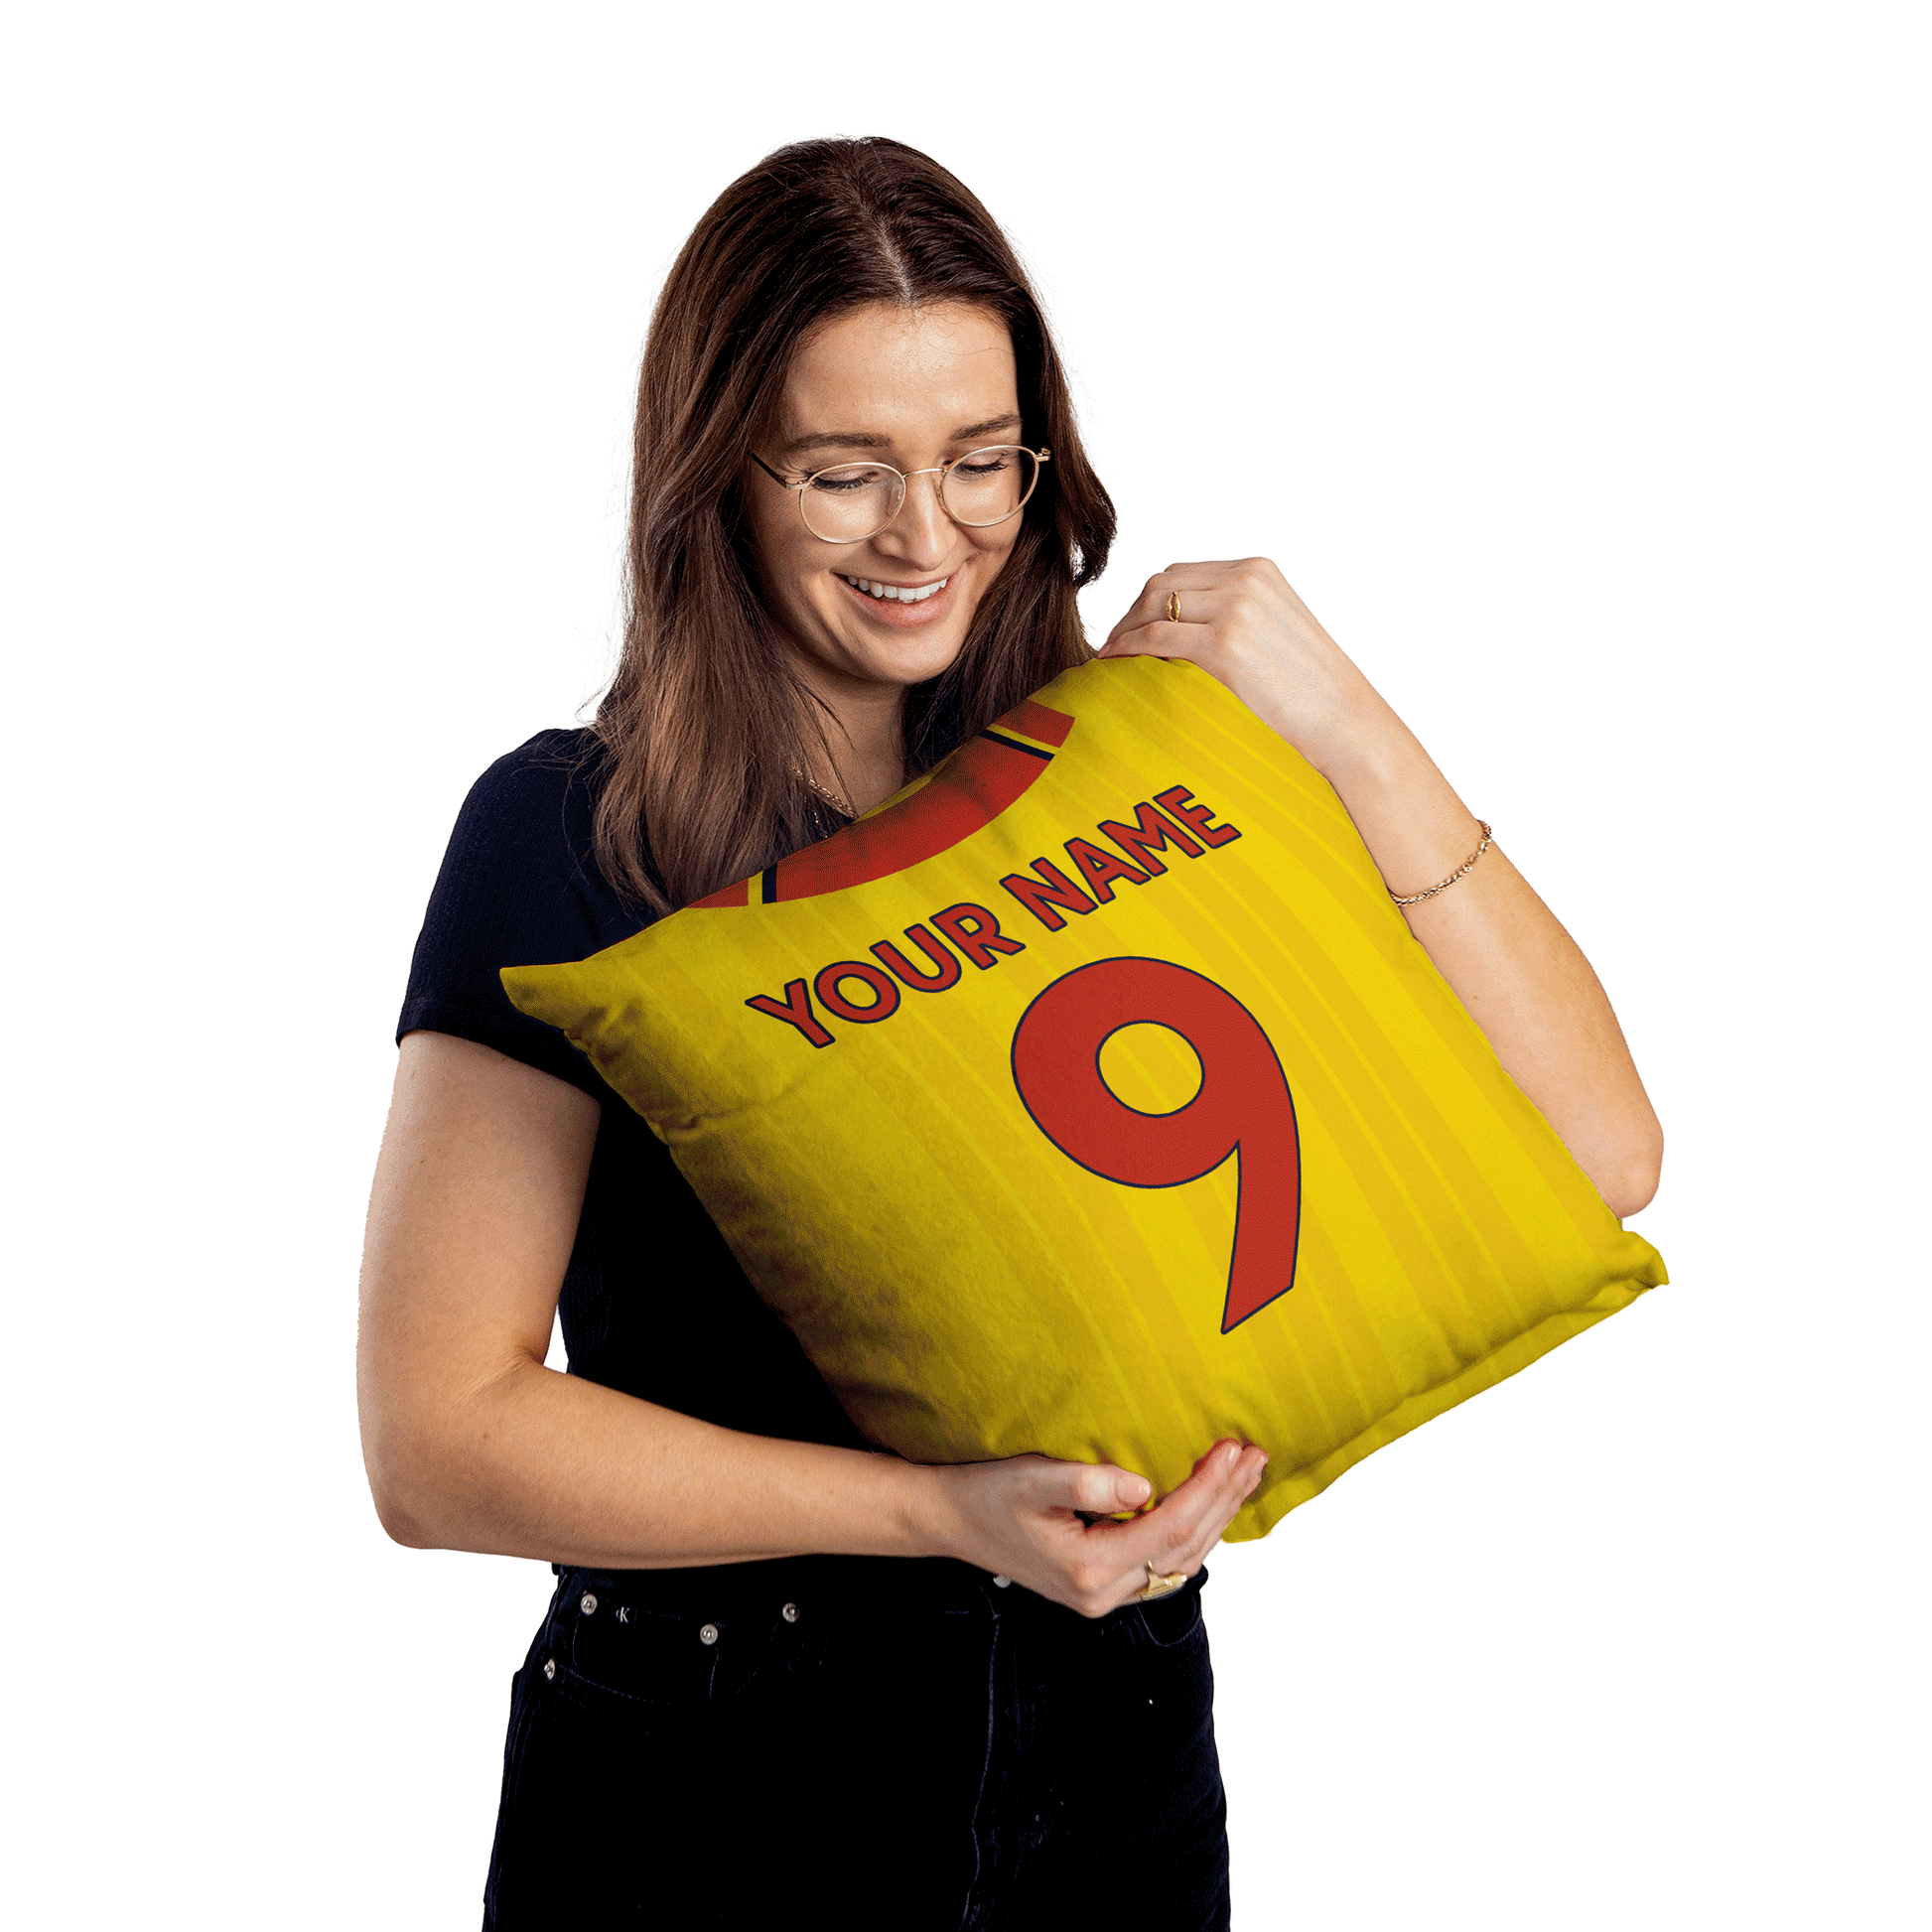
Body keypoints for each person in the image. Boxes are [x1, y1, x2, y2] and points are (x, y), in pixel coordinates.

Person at [357, 136, 1662, 1929]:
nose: (927, 534)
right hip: (714, 1755)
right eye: (845, 472)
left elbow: (1594, 1152)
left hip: (1104, 1741)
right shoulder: (575, 833)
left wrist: (1350, 726)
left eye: (980, 460)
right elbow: (435, 1437)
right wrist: (934, 1509)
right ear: (716, 475)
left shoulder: (1133, 784)